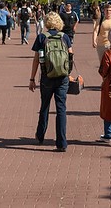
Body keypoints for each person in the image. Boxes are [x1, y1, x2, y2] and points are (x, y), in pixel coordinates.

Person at [28, 12, 73, 152]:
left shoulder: (42, 37)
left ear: (47, 23)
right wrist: (68, 73)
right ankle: (61, 142)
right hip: (62, 78)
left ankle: (40, 134)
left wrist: (32, 78)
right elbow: (71, 55)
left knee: (45, 106)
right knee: (61, 109)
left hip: (47, 77)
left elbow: (36, 59)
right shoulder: (64, 37)